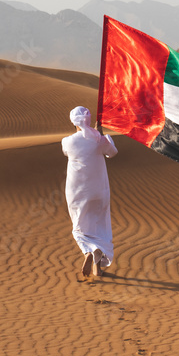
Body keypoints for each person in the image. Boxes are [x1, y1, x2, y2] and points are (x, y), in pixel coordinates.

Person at [62, 106, 119, 278]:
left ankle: (88, 251)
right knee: (100, 225)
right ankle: (97, 268)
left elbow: (67, 152)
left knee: (80, 227)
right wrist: (100, 136)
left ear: (74, 122)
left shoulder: (67, 141)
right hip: (99, 190)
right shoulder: (99, 140)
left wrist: (95, 136)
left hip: (77, 191)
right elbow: (112, 153)